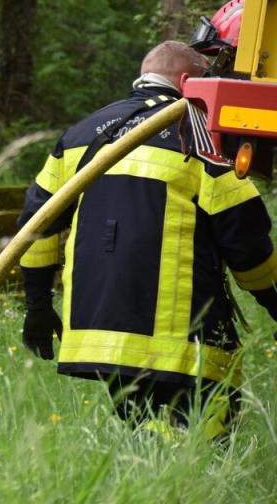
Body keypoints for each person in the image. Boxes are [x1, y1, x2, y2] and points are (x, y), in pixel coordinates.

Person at [18, 38, 277, 436]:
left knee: (144, 441)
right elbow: (246, 240)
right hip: (181, 340)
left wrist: (37, 305)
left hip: (100, 335)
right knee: (202, 448)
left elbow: (35, 227)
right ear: (188, 81)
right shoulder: (200, 136)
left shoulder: (81, 135)